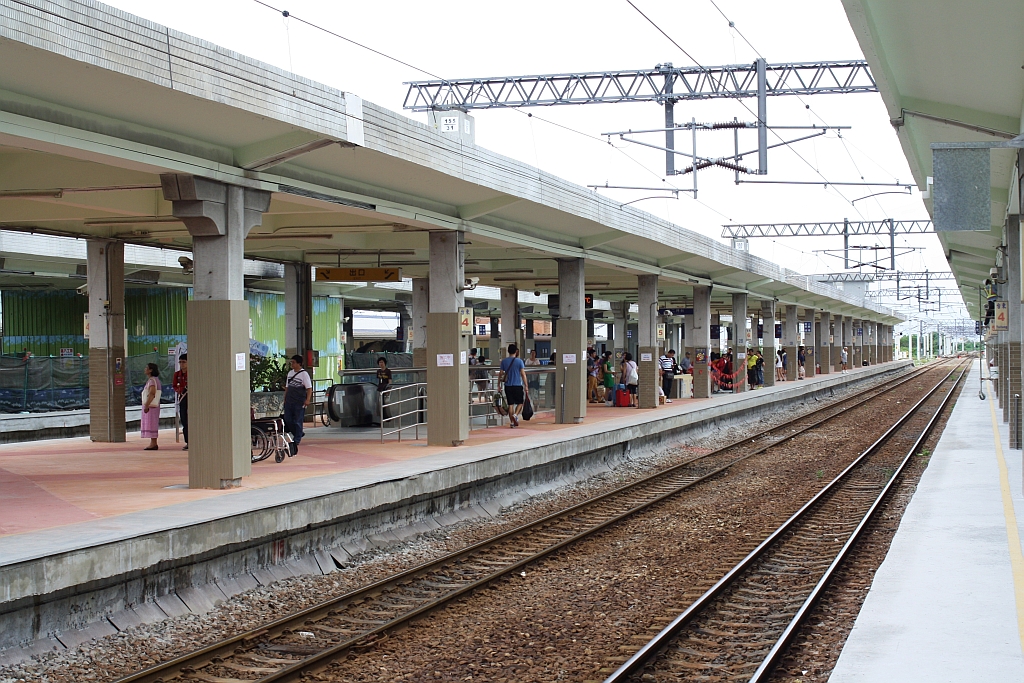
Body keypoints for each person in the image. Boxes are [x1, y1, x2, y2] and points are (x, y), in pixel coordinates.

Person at [284, 355, 312, 455]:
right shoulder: (290, 373)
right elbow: (287, 387)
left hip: (299, 401)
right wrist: (285, 398)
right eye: (291, 362)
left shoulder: (304, 374)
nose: (292, 364)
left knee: (297, 420)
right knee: (288, 419)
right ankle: (298, 433)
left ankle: (297, 439)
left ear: (299, 363)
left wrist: (307, 400)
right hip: (289, 401)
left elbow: (309, 388)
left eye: (294, 362)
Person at [499, 343, 528, 427]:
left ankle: (512, 422)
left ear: (508, 351)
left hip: (508, 385)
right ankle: (515, 415)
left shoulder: (504, 361)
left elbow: (500, 374)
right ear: (516, 351)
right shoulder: (519, 361)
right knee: (520, 402)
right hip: (517, 385)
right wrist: (526, 385)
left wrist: (498, 385)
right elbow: (523, 374)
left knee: (510, 404)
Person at [141, 362, 161, 451]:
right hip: (153, 406)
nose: (145, 369)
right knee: (153, 423)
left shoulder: (152, 381)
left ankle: (153, 443)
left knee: (151, 423)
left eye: (147, 368)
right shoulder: (155, 380)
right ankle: (153, 442)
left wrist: (147, 405)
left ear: (151, 370)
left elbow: (152, 393)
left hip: (151, 407)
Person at [173, 353, 188, 451]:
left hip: (191, 398)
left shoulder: (192, 373)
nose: (182, 364)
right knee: (184, 420)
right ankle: (188, 441)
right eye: (180, 362)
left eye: (184, 362)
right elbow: (175, 386)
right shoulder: (177, 374)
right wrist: (180, 390)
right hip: (182, 399)